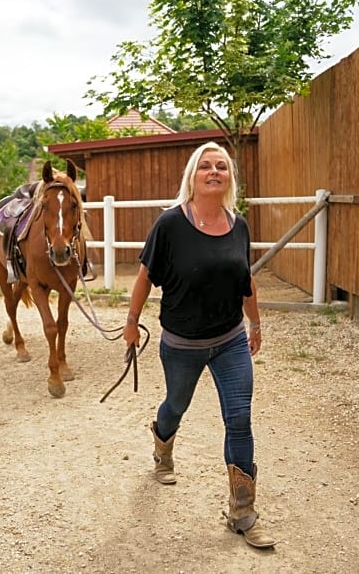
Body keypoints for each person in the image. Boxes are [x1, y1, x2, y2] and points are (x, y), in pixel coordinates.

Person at [123, 141, 275, 549]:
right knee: (177, 405)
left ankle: (242, 512)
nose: (214, 172)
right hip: (181, 343)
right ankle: (162, 442)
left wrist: (255, 323)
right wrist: (132, 322)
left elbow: (246, 280)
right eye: (206, 166)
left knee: (239, 418)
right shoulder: (170, 225)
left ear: (229, 178)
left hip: (229, 341)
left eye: (221, 167)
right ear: (193, 175)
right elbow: (144, 277)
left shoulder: (238, 224)